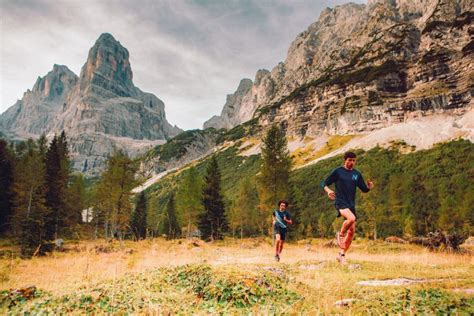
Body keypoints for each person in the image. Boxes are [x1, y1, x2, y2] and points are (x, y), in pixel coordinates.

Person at [321, 151, 374, 264]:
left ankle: (342, 254)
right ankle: (340, 234)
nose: (351, 162)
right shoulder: (338, 171)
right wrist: (328, 190)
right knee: (351, 218)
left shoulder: (357, 174)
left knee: (352, 231)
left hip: (351, 204)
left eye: (353, 160)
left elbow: (363, 189)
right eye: (349, 160)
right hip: (340, 201)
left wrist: (369, 187)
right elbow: (324, 183)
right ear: (345, 160)